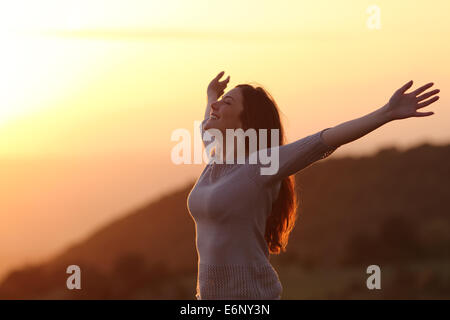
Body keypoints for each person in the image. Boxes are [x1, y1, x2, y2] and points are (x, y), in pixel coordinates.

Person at [187, 71, 440, 300]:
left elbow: (324, 140)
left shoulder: (261, 165)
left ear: (246, 121)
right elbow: (206, 124)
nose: (215, 106)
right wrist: (212, 95)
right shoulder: (217, 157)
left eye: (227, 102)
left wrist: (386, 113)